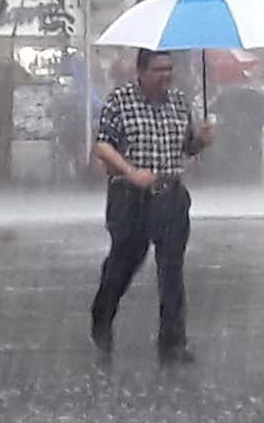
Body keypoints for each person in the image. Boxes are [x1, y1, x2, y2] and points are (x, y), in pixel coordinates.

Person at [90, 49, 214, 365]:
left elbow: (187, 147)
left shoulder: (179, 102)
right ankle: (102, 315)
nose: (166, 75)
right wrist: (132, 172)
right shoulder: (120, 101)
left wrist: (201, 139)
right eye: (159, 69)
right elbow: (103, 145)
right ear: (141, 71)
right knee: (124, 263)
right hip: (130, 197)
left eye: (170, 69)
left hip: (171, 195)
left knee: (171, 268)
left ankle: (173, 341)